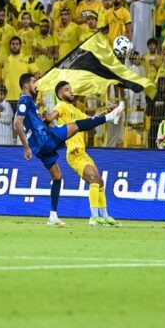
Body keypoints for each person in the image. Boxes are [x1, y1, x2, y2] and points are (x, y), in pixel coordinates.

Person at [14, 73, 124, 227]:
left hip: (41, 148)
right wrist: (25, 146)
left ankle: (53, 216)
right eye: (33, 82)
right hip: (46, 139)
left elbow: (88, 120)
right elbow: (18, 123)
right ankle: (112, 118)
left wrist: (105, 110)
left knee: (57, 177)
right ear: (26, 85)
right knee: (77, 126)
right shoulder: (25, 100)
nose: (36, 84)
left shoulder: (29, 103)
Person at [52, 81, 121, 226]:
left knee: (100, 181)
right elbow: (55, 113)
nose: (71, 92)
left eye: (70, 89)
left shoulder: (75, 110)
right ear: (60, 94)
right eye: (66, 90)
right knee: (93, 180)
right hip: (74, 153)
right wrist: (48, 118)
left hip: (83, 153)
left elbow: (91, 122)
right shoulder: (61, 106)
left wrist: (107, 111)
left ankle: (105, 216)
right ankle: (94, 217)